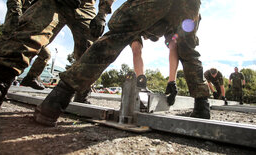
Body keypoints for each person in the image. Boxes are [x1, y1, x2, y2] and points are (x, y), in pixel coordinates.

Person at [34, 0, 211, 127]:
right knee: (188, 49)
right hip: (190, 5)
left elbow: (139, 47)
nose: (152, 38)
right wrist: (165, 80)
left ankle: (57, 100)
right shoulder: (161, 28)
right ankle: (202, 105)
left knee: (115, 37)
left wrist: (103, 11)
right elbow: (173, 48)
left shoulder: (145, 20)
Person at [0, 0, 112, 108]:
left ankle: (82, 93)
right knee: (30, 30)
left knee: (91, 49)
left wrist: (102, 14)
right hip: (54, 1)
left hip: (85, 5)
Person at [131, 34, 179, 106]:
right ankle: (141, 85)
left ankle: (171, 83)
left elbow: (173, 44)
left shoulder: (166, 24)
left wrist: (172, 82)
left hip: (161, 25)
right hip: (137, 25)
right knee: (136, 46)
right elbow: (135, 48)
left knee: (173, 43)